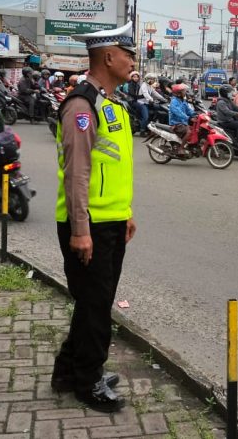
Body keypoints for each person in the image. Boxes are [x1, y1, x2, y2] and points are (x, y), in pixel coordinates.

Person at [51, 22, 137, 413]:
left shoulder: (111, 103)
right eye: (128, 53)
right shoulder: (82, 107)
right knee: (96, 306)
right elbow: (78, 172)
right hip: (88, 227)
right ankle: (87, 381)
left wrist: (126, 214)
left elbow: (112, 167)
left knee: (94, 303)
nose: (133, 59)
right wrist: (82, 231)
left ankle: (69, 371)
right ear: (108, 57)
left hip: (111, 221)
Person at [167, 83, 196, 152]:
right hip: (176, 123)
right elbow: (179, 113)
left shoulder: (183, 101)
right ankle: (181, 148)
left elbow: (189, 110)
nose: (185, 92)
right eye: (184, 91)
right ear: (179, 93)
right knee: (189, 132)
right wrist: (188, 118)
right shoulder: (174, 102)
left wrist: (196, 114)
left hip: (183, 122)